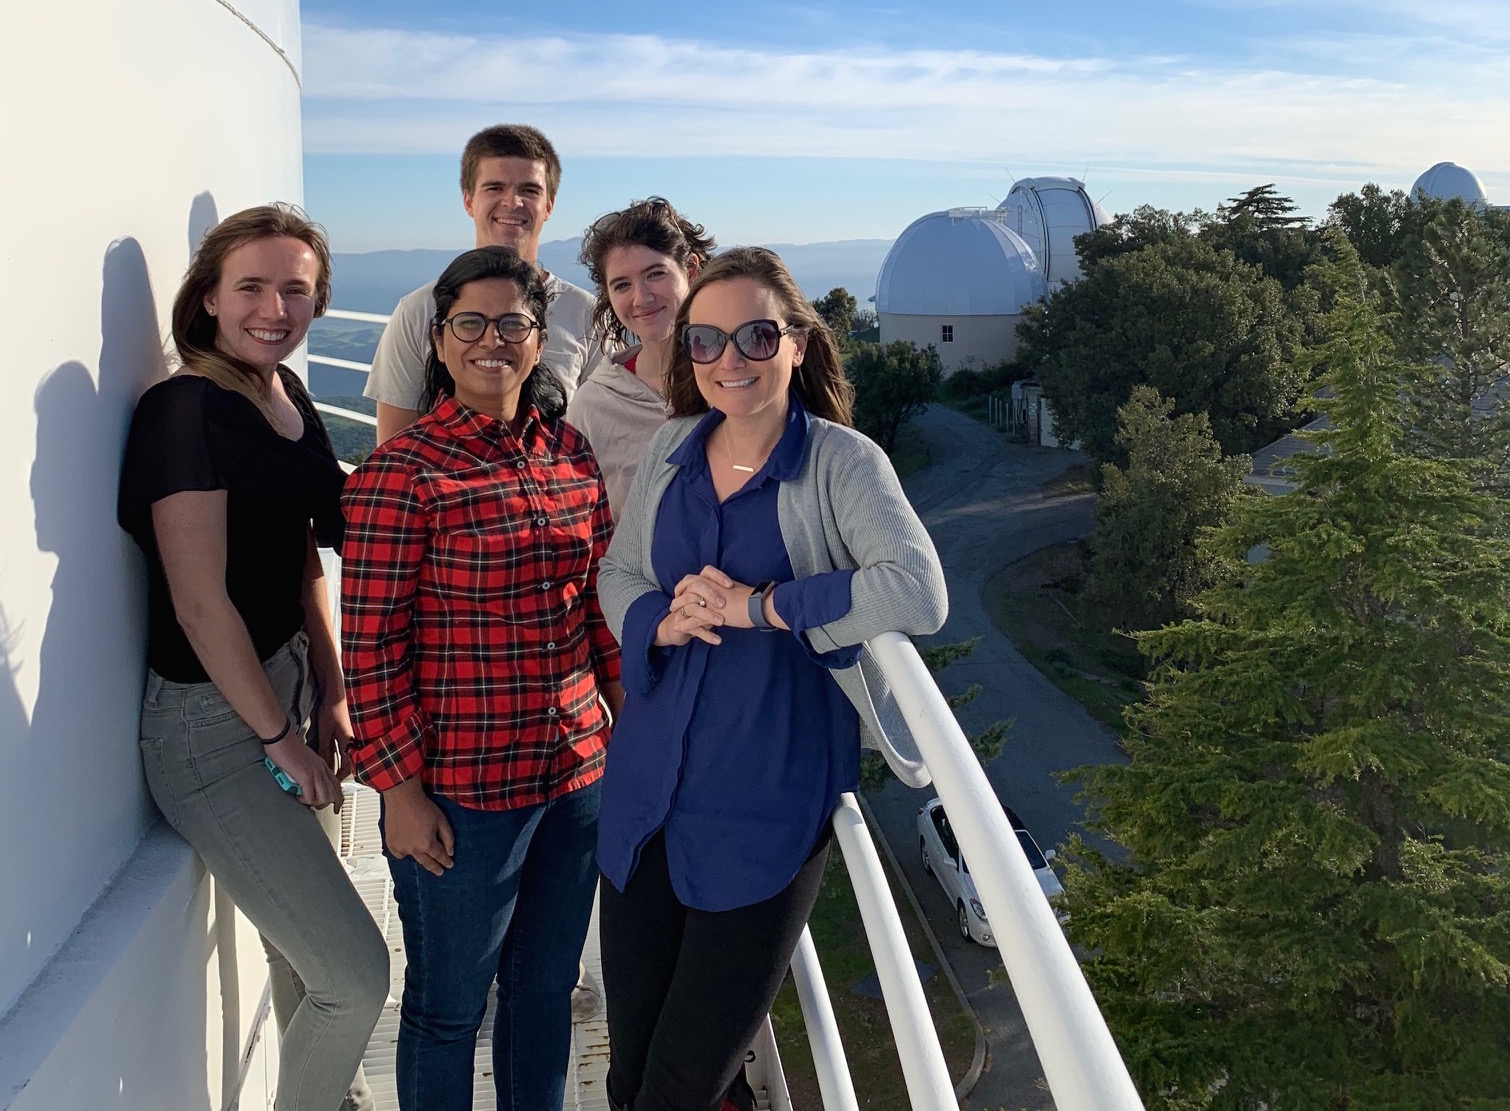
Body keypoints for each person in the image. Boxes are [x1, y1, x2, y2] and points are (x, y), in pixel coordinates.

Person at [594, 246, 948, 1110]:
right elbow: (618, 576)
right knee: (629, 1066)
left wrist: (766, 607)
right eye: (706, 342)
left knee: (682, 1083)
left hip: (765, 810)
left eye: (756, 336)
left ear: (796, 342)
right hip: (643, 801)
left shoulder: (841, 461)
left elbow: (917, 589)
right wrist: (660, 620)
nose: (730, 361)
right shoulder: (676, 446)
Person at [118, 204, 389, 1111]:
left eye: (296, 289)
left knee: (302, 956)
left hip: (287, 688)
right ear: (207, 298)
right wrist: (280, 740)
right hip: (213, 731)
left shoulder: (287, 396)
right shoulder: (182, 412)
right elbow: (200, 604)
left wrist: (333, 690)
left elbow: (306, 556)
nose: (275, 307)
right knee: (355, 974)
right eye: (252, 286)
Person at [341, 245, 624, 1111]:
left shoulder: (568, 453)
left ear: (540, 340)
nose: (491, 340)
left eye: (513, 323)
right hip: (462, 794)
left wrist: (636, 721)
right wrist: (400, 790)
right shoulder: (403, 473)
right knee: (447, 1008)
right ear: (440, 337)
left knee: (543, 997)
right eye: (472, 322)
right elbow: (372, 647)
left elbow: (595, 612)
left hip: (575, 776)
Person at [365, 124, 603, 444]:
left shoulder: (586, 313)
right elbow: (393, 447)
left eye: (529, 190)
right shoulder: (419, 310)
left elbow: (599, 434)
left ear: (549, 205)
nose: (512, 202)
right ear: (468, 201)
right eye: (494, 188)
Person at [566, 196, 715, 520]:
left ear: (691, 269)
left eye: (655, 274)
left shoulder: (736, 376)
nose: (641, 297)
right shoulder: (593, 407)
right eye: (622, 285)